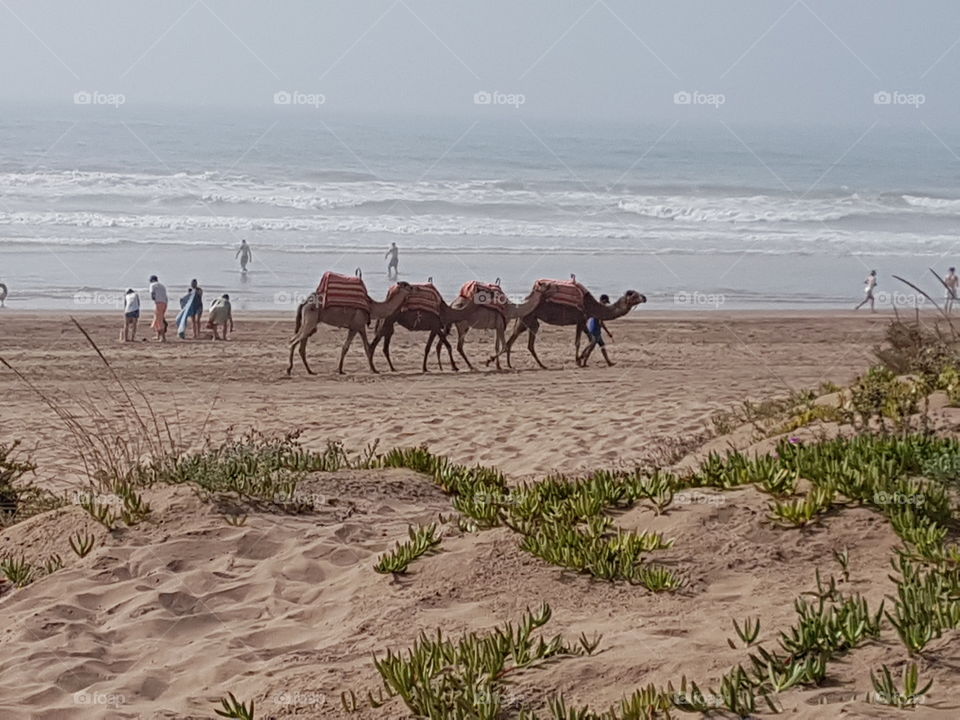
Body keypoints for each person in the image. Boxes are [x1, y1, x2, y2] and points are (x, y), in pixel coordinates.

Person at [578, 294, 615, 367]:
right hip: (595, 330)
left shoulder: (595, 307)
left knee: (602, 346)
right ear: (602, 301)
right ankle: (583, 362)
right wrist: (608, 333)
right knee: (591, 347)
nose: (605, 304)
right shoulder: (600, 309)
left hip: (594, 329)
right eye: (605, 302)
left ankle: (608, 362)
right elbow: (601, 323)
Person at [148, 275, 168, 342]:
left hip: (159, 303)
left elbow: (152, 295)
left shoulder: (152, 285)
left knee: (159, 320)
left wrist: (154, 299)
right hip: (165, 303)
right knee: (158, 318)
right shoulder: (162, 286)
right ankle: (158, 335)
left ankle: (163, 338)